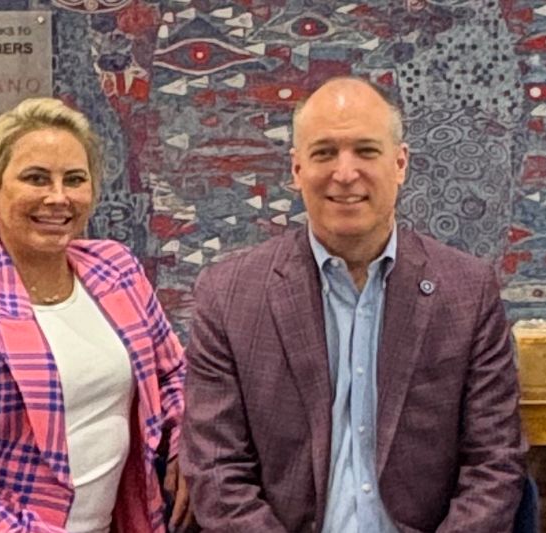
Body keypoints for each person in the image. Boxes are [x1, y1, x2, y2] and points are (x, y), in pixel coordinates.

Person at [182, 77, 527, 532]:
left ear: (400, 164)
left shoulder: (467, 292)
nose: (345, 174)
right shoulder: (228, 296)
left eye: (366, 151)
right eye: (324, 153)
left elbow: (494, 464)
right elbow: (217, 473)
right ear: (297, 169)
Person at [0, 97, 189, 532]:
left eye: (74, 179)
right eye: (36, 178)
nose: (58, 197)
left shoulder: (117, 269)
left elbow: (174, 374)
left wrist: (187, 443)